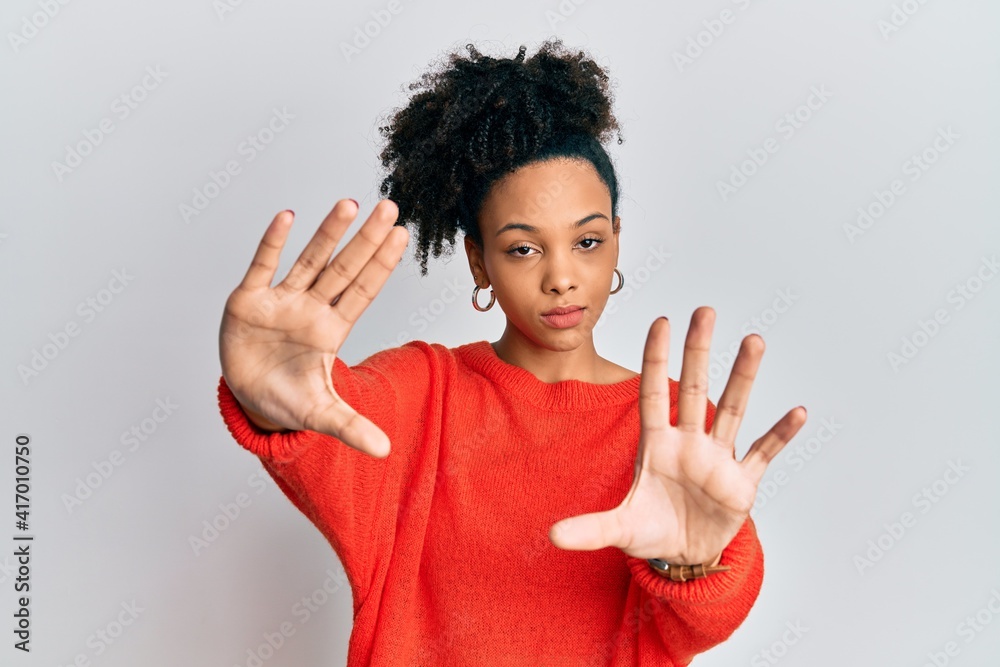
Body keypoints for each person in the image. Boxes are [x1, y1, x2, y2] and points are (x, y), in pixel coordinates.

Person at [215, 39, 807, 666]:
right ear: (479, 261)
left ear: (616, 243)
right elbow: (330, 422)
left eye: (587, 241)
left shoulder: (671, 422)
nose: (561, 277)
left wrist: (693, 565)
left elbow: (704, 620)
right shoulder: (424, 391)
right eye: (524, 248)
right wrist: (272, 400)